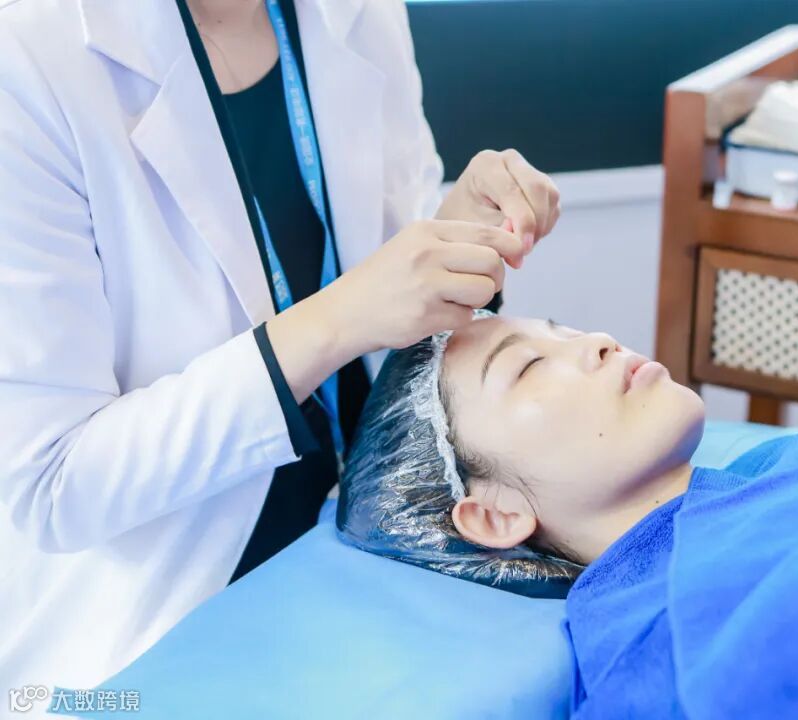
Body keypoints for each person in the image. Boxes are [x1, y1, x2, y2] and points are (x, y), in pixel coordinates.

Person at [0, 0, 560, 698]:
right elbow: (54, 487)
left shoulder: (360, 14)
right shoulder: (27, 58)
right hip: (166, 602)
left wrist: (456, 242)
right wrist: (334, 320)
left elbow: (395, 319)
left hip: (366, 540)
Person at [371, 313, 798, 718]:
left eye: (563, 329)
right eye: (527, 367)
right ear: (495, 516)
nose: (595, 341)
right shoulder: (651, 632)